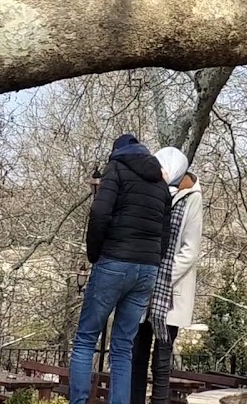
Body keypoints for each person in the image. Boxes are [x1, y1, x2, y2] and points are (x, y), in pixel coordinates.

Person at [69, 134, 172, 404]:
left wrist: (94, 254)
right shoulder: (161, 181)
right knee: (123, 347)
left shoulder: (116, 170)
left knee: (85, 340)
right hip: (146, 270)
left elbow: (99, 213)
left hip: (114, 261)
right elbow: (165, 230)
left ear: (118, 152)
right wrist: (154, 260)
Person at [130, 147, 204, 404]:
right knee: (137, 354)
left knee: (162, 359)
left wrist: (162, 278)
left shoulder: (193, 198)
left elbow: (189, 250)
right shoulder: (158, 190)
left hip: (170, 291)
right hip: (145, 283)